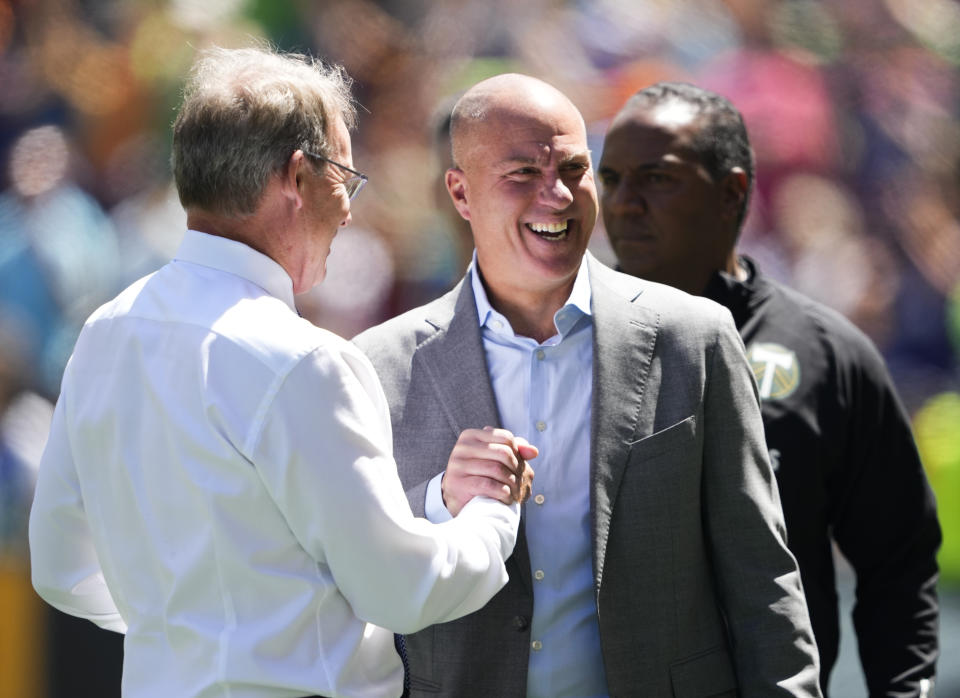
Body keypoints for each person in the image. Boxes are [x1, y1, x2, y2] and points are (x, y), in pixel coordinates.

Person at [28, 46, 535, 698]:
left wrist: (194, 637)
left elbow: (61, 569)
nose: (349, 210)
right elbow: (400, 589)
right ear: (297, 178)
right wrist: (493, 514)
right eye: (345, 178)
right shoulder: (306, 361)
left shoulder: (106, 331)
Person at [353, 73, 822, 697]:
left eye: (574, 170)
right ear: (461, 194)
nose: (557, 195)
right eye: (522, 173)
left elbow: (761, 575)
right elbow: (352, 574)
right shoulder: (378, 365)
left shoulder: (695, 338)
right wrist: (440, 501)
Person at [597, 81, 941, 697]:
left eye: (657, 178)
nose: (624, 202)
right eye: (613, 178)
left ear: (731, 193)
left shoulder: (827, 354)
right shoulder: (564, 340)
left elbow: (898, 563)